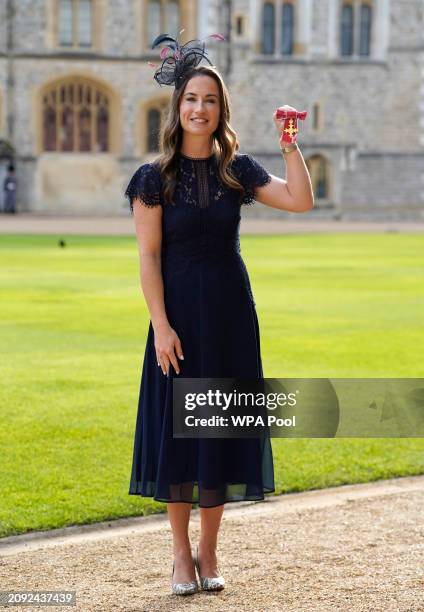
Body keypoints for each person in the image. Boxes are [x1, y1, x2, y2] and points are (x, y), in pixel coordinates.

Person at [124, 32, 314, 597]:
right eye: (190, 99)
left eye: (209, 100)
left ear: (220, 109)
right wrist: (161, 325)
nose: (199, 108)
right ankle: (180, 555)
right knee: (181, 438)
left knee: (220, 432)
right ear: (177, 108)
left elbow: (301, 200)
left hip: (232, 318)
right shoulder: (152, 178)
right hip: (178, 321)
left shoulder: (239, 169)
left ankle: (210, 553)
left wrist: (289, 144)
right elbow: (149, 257)